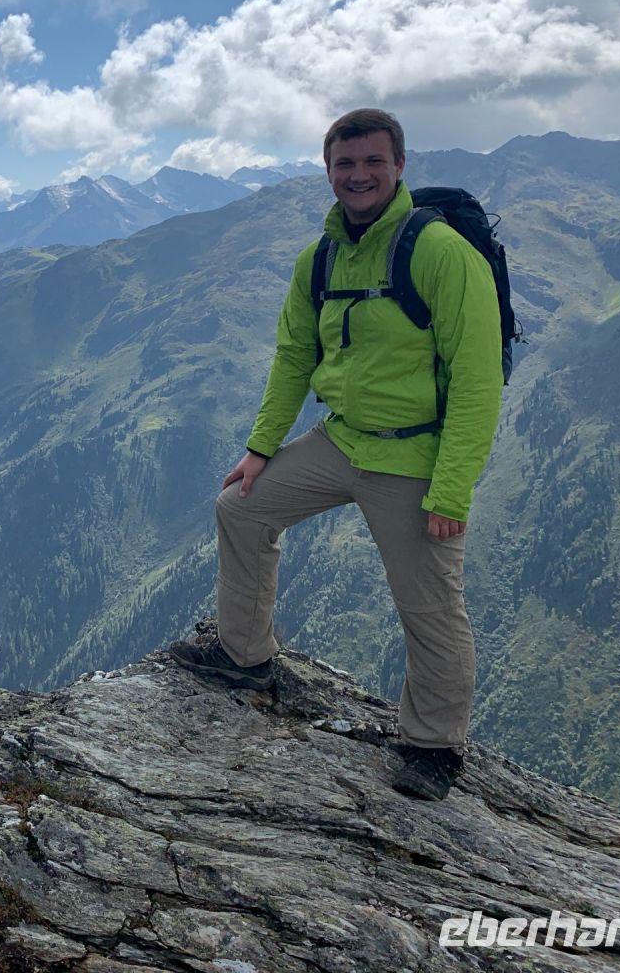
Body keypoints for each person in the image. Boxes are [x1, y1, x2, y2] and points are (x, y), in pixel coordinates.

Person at [169, 107, 504, 801]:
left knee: (430, 603)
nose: (358, 176)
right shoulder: (320, 258)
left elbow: (478, 379)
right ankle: (245, 655)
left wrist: (451, 489)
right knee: (240, 507)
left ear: (400, 166)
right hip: (340, 437)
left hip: (413, 458)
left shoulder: (440, 253)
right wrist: (261, 448)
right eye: (344, 164)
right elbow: (296, 354)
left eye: (372, 162)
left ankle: (435, 745)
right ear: (328, 171)